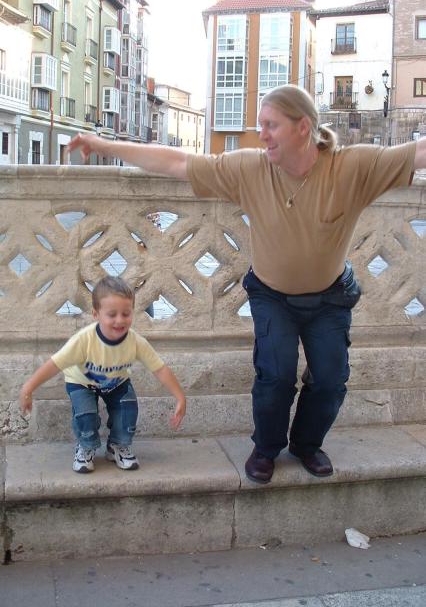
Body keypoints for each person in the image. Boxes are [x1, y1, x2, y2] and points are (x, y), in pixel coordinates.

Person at [67, 84, 426, 483]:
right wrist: (105, 144)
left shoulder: (352, 167)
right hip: (272, 295)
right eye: (261, 126)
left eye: (271, 126)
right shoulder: (252, 168)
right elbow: (177, 163)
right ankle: (266, 448)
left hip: (330, 298)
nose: (263, 135)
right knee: (275, 374)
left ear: (303, 127)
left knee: (330, 377)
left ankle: (307, 444)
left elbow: (418, 153)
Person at [19, 276, 186, 473]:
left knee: (127, 410)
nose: (120, 320)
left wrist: (180, 397)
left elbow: (160, 369)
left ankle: (117, 445)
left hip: (117, 382)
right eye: (112, 314)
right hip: (81, 383)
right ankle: (86, 446)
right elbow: (54, 364)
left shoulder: (135, 341)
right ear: (95, 314)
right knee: (86, 416)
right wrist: (28, 388)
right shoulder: (83, 340)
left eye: (126, 313)